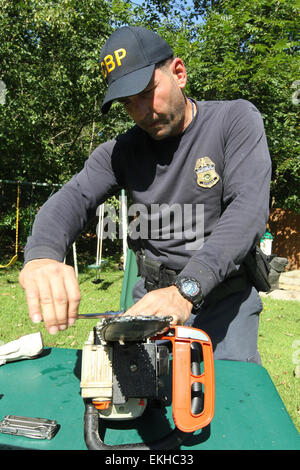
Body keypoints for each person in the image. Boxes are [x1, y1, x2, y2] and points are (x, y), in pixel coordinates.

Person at [19, 26, 272, 363]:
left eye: (147, 91)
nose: (140, 111)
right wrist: (42, 255)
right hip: (150, 303)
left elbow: (247, 212)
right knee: (135, 404)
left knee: (228, 404)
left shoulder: (234, 121)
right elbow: (72, 198)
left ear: (178, 73)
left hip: (223, 305)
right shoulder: (122, 151)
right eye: (127, 103)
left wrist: (186, 290)